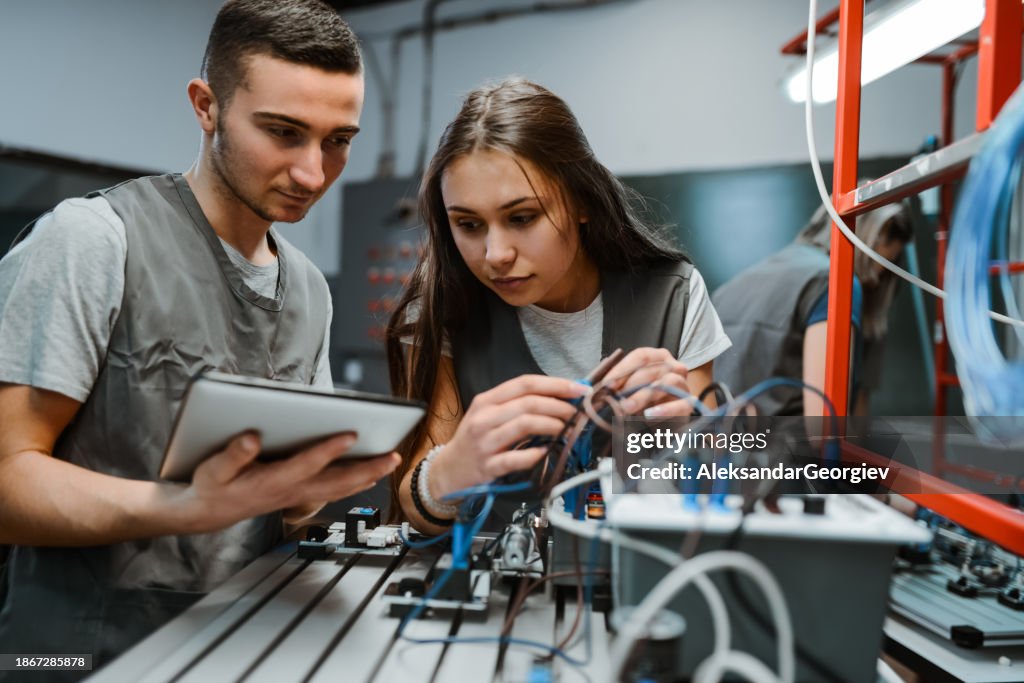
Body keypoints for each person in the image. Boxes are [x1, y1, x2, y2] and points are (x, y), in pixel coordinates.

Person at [0, 0, 399, 673]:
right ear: (206, 106)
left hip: (241, 642)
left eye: (338, 140)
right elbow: (8, 480)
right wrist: (183, 505)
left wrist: (317, 481)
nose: (313, 172)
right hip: (74, 652)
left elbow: (293, 509)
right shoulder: (94, 240)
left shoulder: (308, 289)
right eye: (283, 132)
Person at [385, 79, 732, 533]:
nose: (495, 254)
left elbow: (709, 488)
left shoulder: (675, 295)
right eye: (468, 224)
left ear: (582, 201)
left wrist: (683, 430)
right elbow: (418, 511)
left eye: (522, 217)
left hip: (634, 578)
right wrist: (449, 471)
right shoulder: (442, 307)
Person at [711, 200, 912, 416]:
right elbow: (823, 429)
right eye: (874, 265)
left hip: (724, 445)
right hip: (786, 447)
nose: (875, 280)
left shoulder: (730, 287)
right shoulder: (835, 282)